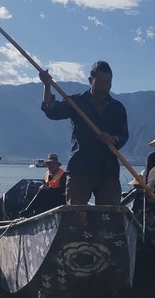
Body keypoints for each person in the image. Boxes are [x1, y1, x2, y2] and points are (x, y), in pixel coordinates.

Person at [39, 61, 129, 205]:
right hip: (80, 169)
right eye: (100, 83)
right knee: (75, 214)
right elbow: (51, 110)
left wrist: (113, 139)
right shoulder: (77, 102)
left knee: (110, 215)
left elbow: (123, 135)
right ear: (90, 80)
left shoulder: (117, 108)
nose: (104, 87)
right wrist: (47, 85)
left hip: (108, 171)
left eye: (108, 83)